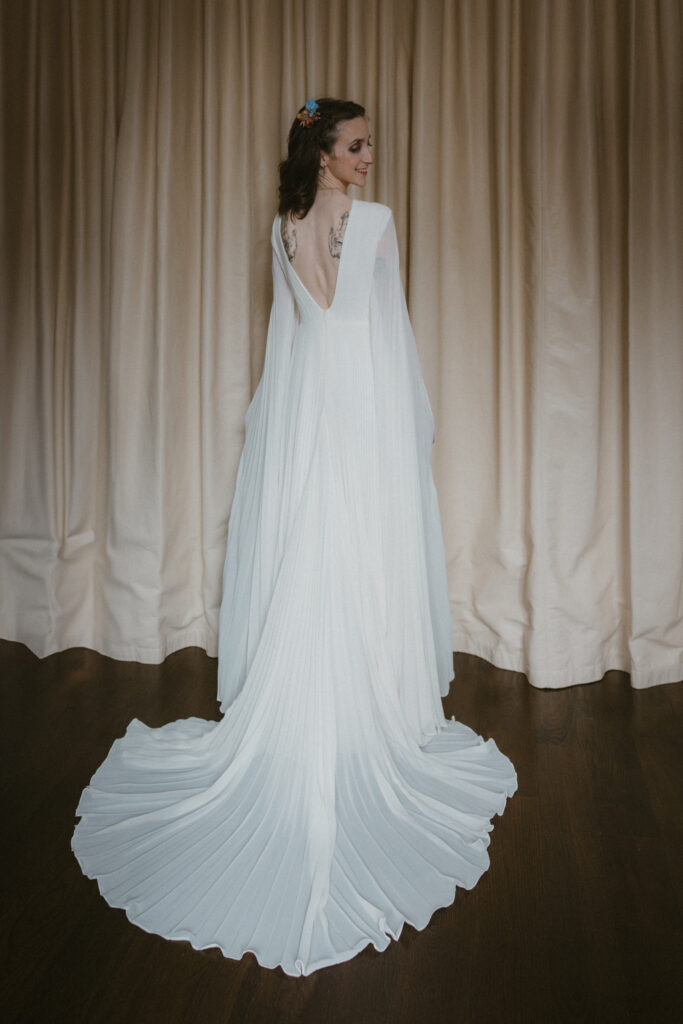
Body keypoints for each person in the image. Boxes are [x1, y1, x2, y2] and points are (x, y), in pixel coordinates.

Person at [72, 98, 517, 977]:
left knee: (313, 544)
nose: (369, 157)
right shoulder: (376, 224)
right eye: (356, 146)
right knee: (363, 550)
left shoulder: (283, 225)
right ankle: (372, 709)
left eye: (367, 146)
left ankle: (324, 703)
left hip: (307, 406)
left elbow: (290, 336)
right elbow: (389, 338)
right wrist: (409, 429)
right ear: (323, 151)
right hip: (360, 405)